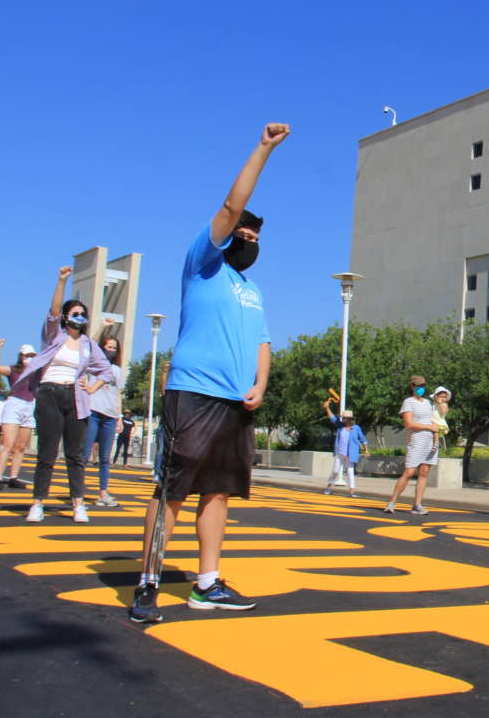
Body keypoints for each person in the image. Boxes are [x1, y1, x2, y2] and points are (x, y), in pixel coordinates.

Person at [128, 122, 289, 624]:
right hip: (193, 395)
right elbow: (228, 207)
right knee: (172, 489)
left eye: (253, 234)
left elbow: (263, 341)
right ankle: (149, 581)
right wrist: (263, 150)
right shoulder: (204, 263)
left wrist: (261, 385)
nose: (247, 237)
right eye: (243, 231)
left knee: (218, 491)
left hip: (235, 403)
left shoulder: (251, 288)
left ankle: (206, 584)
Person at [10, 267, 115, 523]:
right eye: (75, 313)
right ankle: (38, 503)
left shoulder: (89, 345)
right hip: (49, 394)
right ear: (67, 317)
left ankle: (78, 504)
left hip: (76, 398)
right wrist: (61, 281)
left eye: (83, 314)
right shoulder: (54, 336)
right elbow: (53, 312)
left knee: (75, 454)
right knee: (47, 453)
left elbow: (106, 371)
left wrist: (90, 388)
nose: (79, 317)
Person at [383, 376, 443, 515]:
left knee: (423, 473)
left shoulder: (428, 403)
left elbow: (435, 418)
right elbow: (409, 424)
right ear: (412, 387)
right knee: (409, 472)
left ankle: (417, 504)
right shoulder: (408, 402)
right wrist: (429, 428)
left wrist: (435, 430)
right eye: (418, 386)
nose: (421, 388)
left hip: (429, 442)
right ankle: (392, 503)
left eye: (423, 386)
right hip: (416, 441)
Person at [82, 334, 125, 507]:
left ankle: (103, 493)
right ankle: (77, 493)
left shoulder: (117, 370)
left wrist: (119, 417)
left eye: (114, 348)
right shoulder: (93, 365)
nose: (111, 351)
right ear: (102, 347)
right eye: (109, 347)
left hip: (110, 415)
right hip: (93, 411)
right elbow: (86, 346)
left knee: (105, 458)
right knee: (84, 454)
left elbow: (118, 394)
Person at [0, 340, 38, 490]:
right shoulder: (13, 370)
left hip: (29, 405)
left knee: (21, 446)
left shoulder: (36, 372)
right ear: (21, 356)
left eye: (32, 355)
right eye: (27, 355)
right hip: (14, 404)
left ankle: (13, 477)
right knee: (8, 445)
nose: (30, 358)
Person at [323, 400, 369, 497]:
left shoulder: (356, 428)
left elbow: (363, 439)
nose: (345, 419)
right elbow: (332, 418)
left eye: (346, 418)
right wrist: (327, 408)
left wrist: (366, 450)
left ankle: (352, 491)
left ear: (351, 419)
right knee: (335, 471)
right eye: (344, 418)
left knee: (350, 471)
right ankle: (328, 487)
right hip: (340, 452)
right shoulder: (340, 426)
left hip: (351, 453)